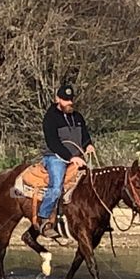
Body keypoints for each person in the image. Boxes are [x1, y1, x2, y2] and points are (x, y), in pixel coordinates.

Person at [37, 83, 94, 239]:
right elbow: (53, 142)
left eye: (70, 100)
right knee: (56, 187)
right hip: (55, 157)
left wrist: (88, 145)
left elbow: (85, 136)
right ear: (57, 99)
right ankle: (44, 219)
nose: (69, 103)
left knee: (94, 183)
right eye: (65, 100)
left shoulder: (77, 117)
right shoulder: (50, 118)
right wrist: (70, 157)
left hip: (77, 157)